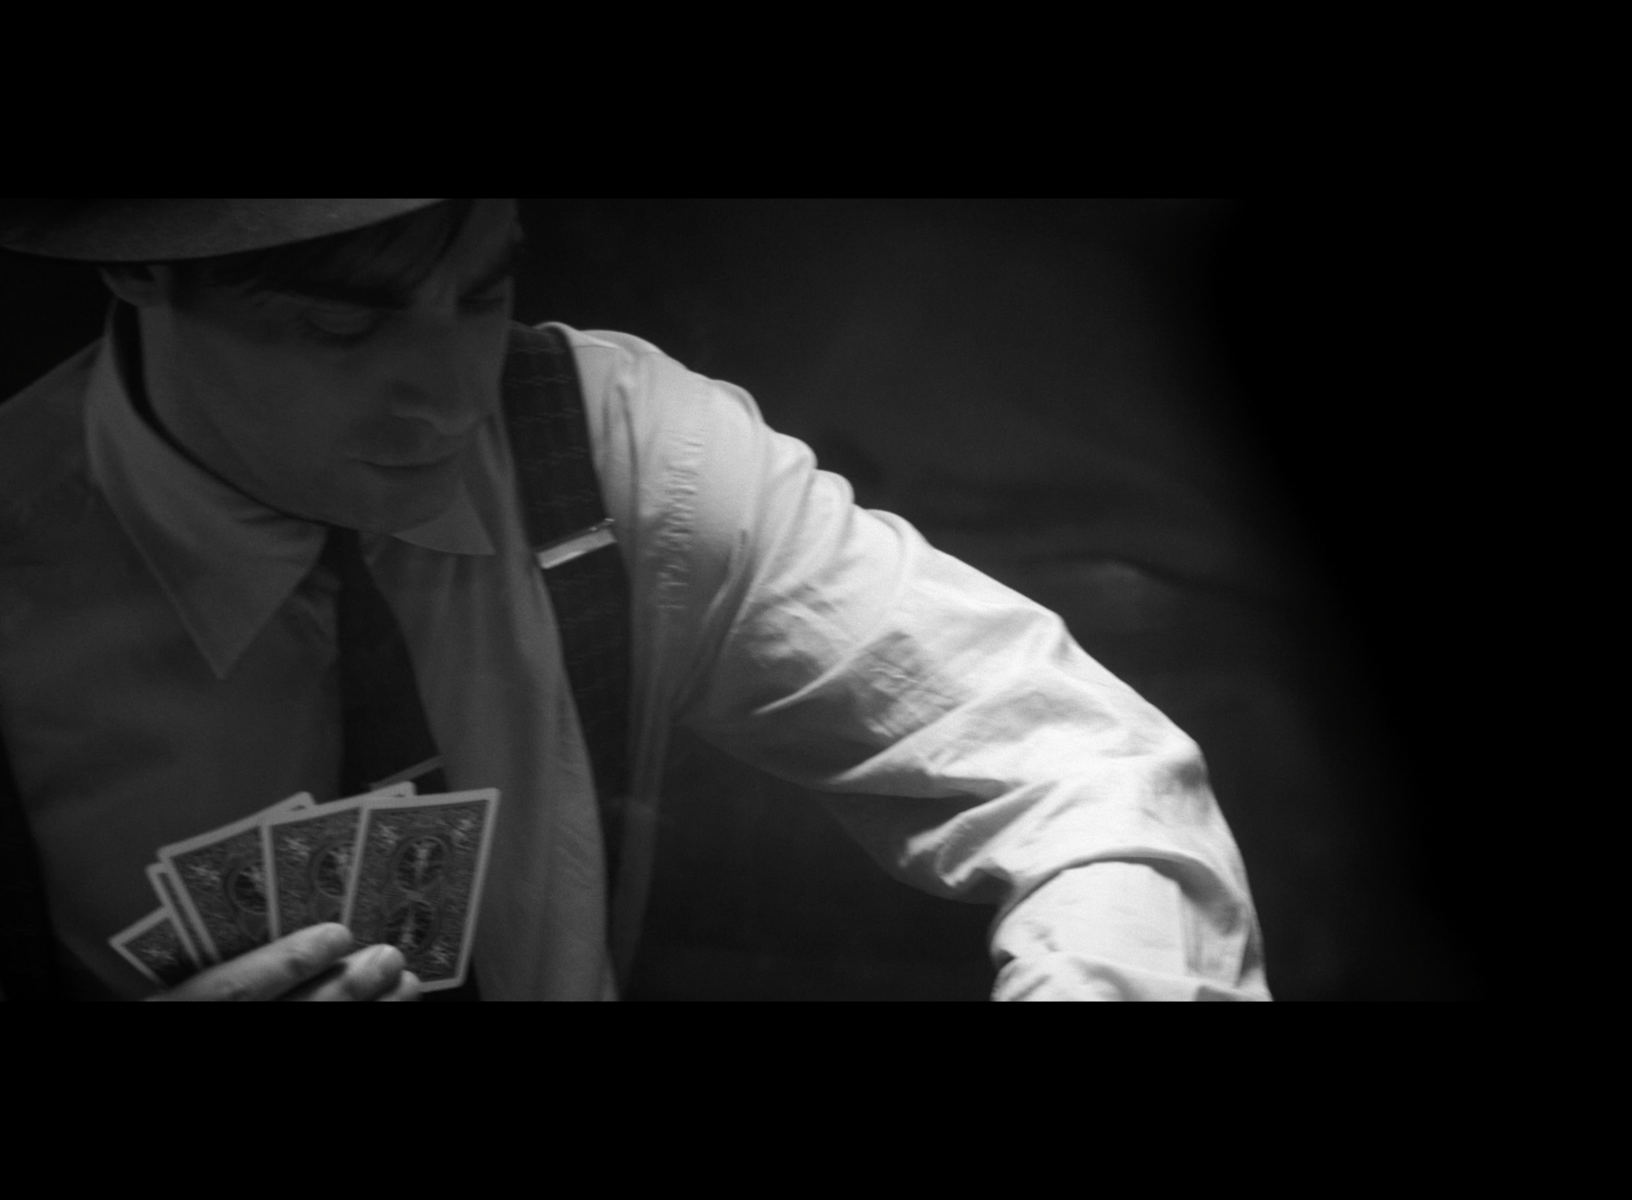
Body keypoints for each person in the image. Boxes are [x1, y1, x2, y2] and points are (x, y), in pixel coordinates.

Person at [0, 198, 1269, 1001]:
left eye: (483, 293)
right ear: (142, 270)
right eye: (343, 331)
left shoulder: (617, 447)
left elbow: (1089, 769)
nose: (449, 393)